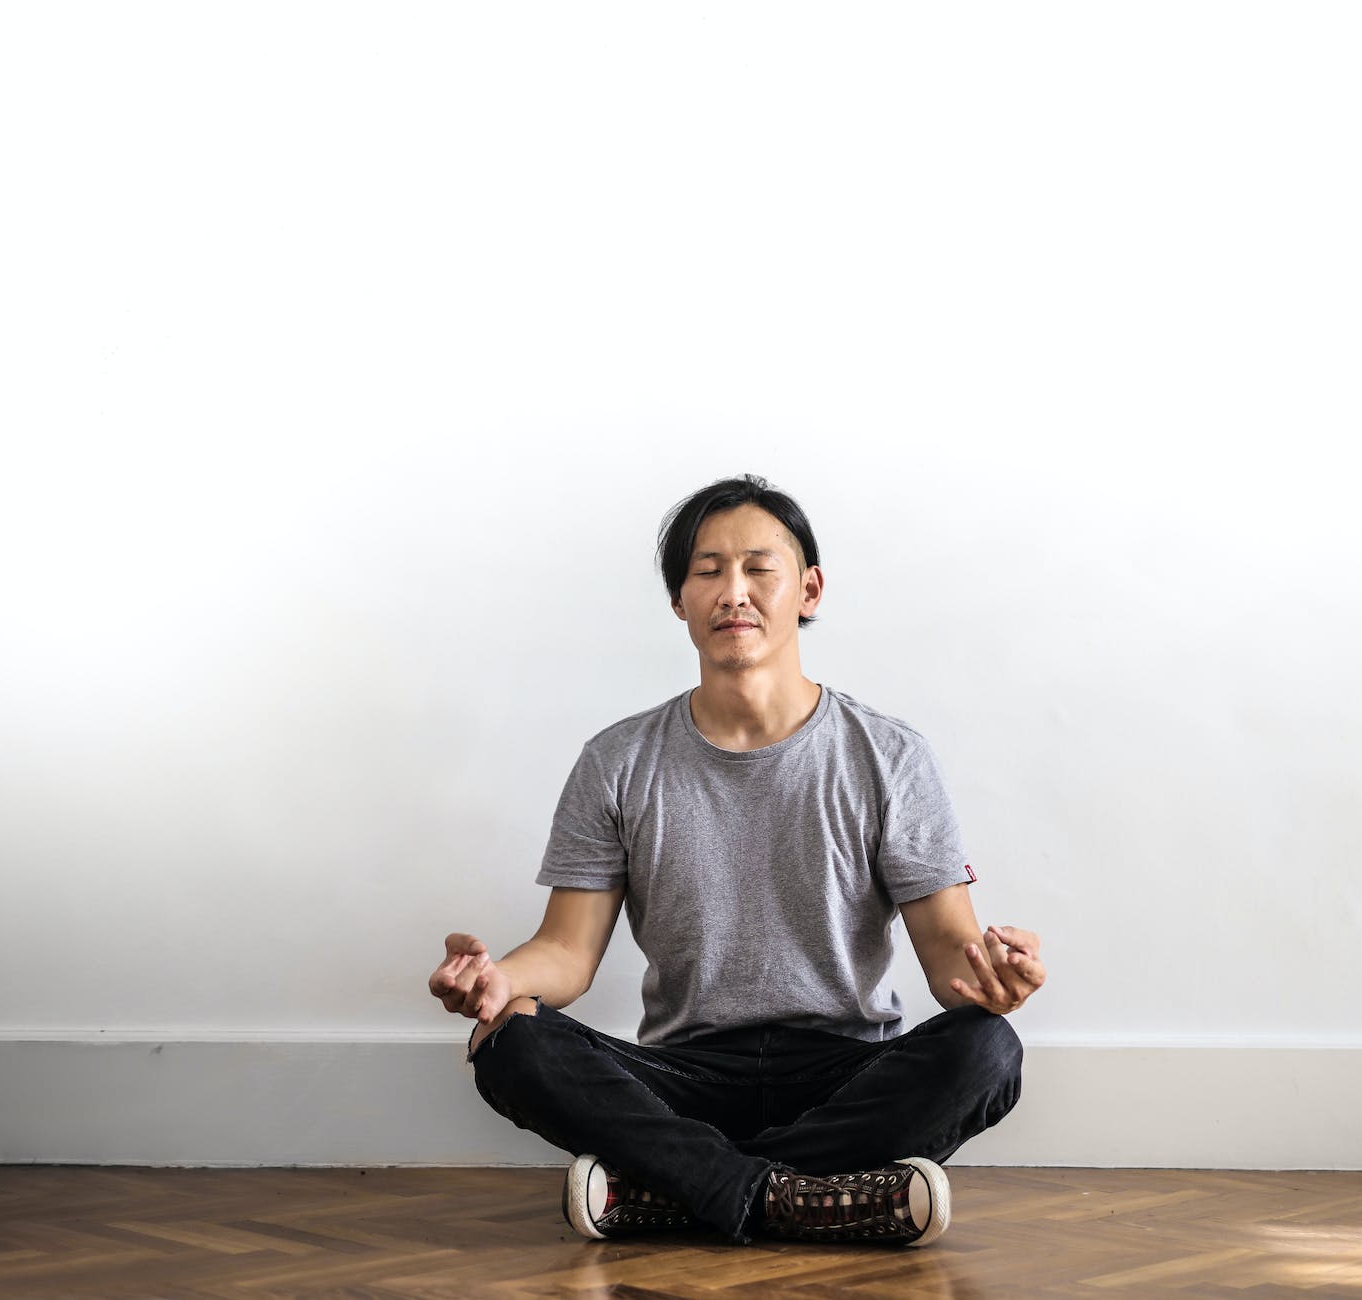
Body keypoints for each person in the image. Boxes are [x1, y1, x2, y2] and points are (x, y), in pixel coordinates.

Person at [427, 473, 1045, 1247]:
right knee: (509, 1039)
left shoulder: (889, 755)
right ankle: (808, 1196)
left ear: (808, 590)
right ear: (679, 600)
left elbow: (949, 953)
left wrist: (993, 974)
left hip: (846, 1071)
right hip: (683, 1077)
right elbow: (566, 951)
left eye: (759, 568)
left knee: (986, 1047)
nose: (733, 592)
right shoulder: (616, 760)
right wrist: (498, 981)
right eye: (707, 570)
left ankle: (680, 1189)